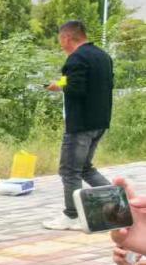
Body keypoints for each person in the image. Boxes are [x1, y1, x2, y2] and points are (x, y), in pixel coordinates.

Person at [44, 20, 115, 230]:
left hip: (81, 124)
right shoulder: (102, 56)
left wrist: (64, 87)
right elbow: (84, 81)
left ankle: (72, 215)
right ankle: (116, 201)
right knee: (85, 168)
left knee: (69, 171)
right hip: (100, 121)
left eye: (61, 40)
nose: (61, 45)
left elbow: (77, 88)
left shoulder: (76, 58)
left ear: (67, 37)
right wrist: (60, 85)